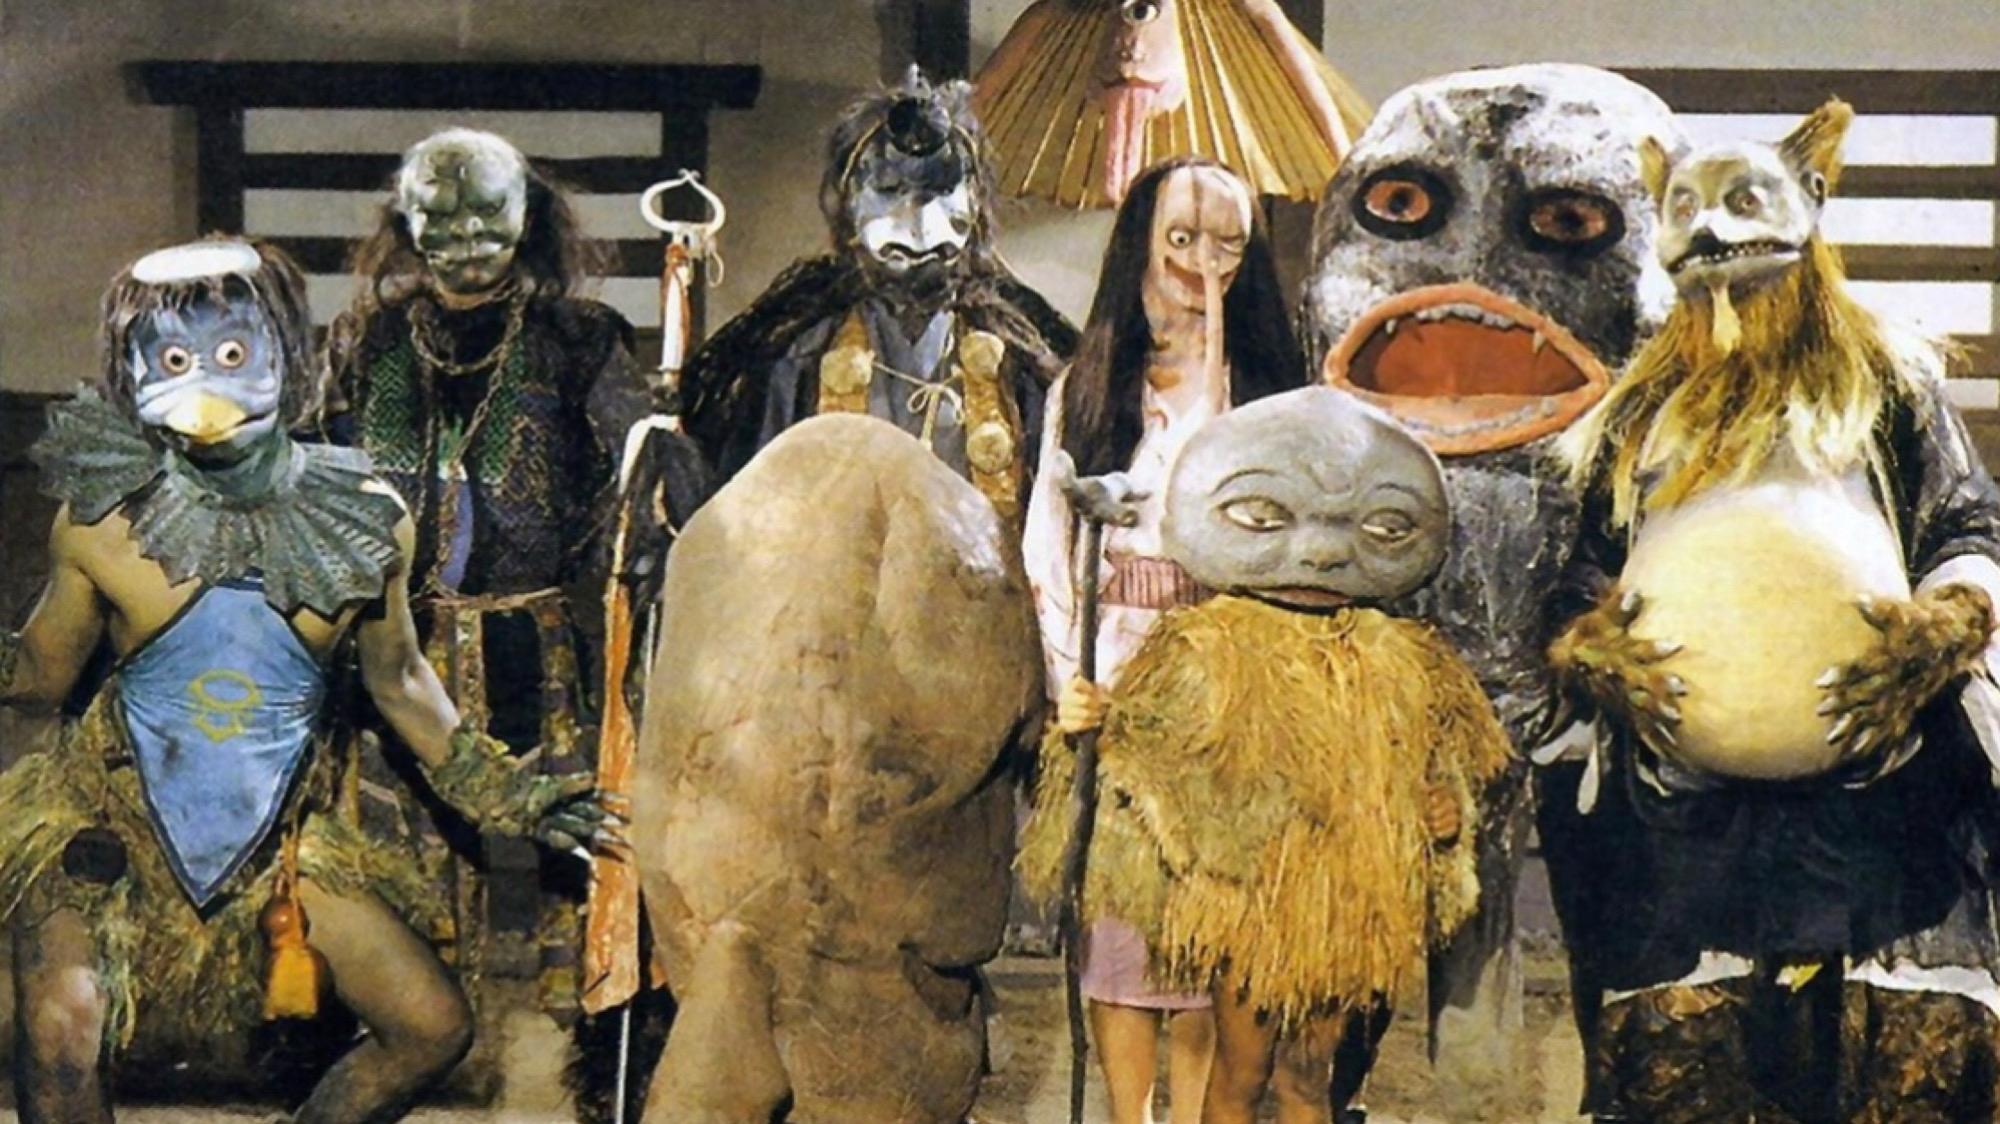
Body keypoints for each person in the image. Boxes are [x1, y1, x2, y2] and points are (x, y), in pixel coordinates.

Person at [0, 238, 611, 1122]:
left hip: (277, 844)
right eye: (173, 360)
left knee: (431, 1025)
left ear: (286, 351)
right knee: (63, 1032)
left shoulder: (365, 519)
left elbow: (400, 679)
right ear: (132, 373)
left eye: (232, 351)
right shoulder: (101, 521)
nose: (206, 381)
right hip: (110, 818)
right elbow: (38, 681)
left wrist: (509, 795)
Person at [322, 128, 700, 1020]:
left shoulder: (579, 338)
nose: (467, 236)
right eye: (441, 216)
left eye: (488, 212)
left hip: (537, 642)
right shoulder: (368, 339)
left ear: (529, 214)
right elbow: (327, 470)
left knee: (572, 841)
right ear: (406, 222)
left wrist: (661, 478)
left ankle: (581, 1039)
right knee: (399, 855)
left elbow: (637, 468)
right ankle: (417, 1030)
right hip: (395, 645)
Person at [1019, 156, 1301, 1124]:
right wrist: (1068, 675)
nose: (1201, 264)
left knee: (1201, 934)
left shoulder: (1267, 395)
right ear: (1138, 247)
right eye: (1180, 239)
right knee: (1120, 932)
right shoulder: (1088, 387)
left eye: (1227, 244)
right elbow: (1047, 546)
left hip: (1232, 695)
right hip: (1116, 684)